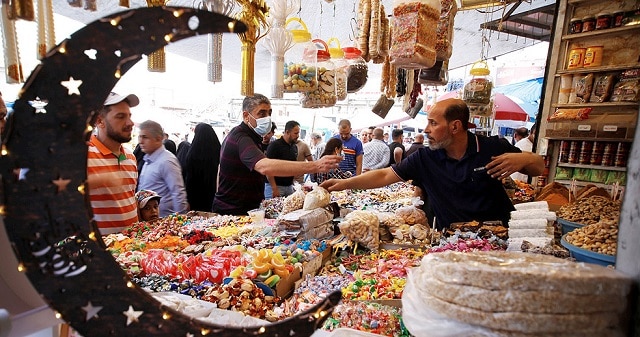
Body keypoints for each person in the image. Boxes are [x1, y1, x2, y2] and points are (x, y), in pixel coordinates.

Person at [321, 98, 544, 230]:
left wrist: (525, 158)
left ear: (455, 127)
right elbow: (384, 176)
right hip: (450, 241)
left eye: (433, 123)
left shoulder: (491, 147)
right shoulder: (425, 158)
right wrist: (345, 184)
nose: (426, 129)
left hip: (497, 238)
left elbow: (538, 168)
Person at [212, 93, 342, 215]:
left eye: (269, 113)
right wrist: (315, 166)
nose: (267, 118)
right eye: (261, 113)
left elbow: (220, 169)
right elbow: (264, 166)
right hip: (232, 211)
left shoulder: (251, 137)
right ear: (246, 116)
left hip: (246, 207)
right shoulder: (241, 138)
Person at [87, 92, 140, 234]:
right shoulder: (83, 155)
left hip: (130, 248)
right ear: (99, 121)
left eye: (129, 116)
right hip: (99, 252)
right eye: (121, 117)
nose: (130, 123)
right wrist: (100, 179)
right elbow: (55, 192)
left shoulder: (130, 156)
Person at [137, 120, 188, 217]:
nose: (140, 141)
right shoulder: (148, 159)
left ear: (158, 139)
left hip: (163, 221)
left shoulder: (167, 161)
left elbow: (178, 194)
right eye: (140, 137)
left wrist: (180, 221)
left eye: (145, 137)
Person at [183, 123, 221, 212]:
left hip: (196, 195)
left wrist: (188, 198)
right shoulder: (218, 150)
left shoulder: (192, 154)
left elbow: (190, 179)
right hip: (214, 193)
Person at [264, 120, 301, 198]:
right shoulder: (274, 146)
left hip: (289, 186)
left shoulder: (294, 147)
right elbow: (268, 169)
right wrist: (274, 188)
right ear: (287, 132)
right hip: (275, 186)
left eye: (298, 133)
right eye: (295, 133)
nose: (298, 136)